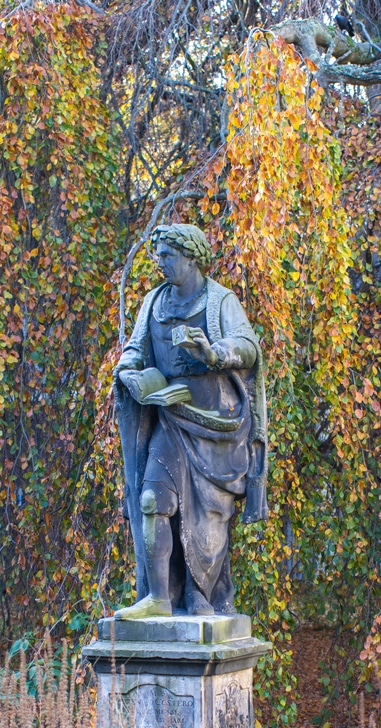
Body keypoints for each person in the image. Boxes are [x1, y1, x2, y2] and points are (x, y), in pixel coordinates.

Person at [113, 223, 268, 619]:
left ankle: (201, 594)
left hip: (216, 428)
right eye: (158, 255)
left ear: (192, 257)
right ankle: (158, 598)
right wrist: (129, 371)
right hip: (169, 418)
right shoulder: (154, 302)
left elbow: (248, 347)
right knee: (152, 501)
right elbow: (135, 348)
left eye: (168, 255)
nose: (160, 263)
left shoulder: (220, 301)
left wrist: (213, 352)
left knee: (205, 520)